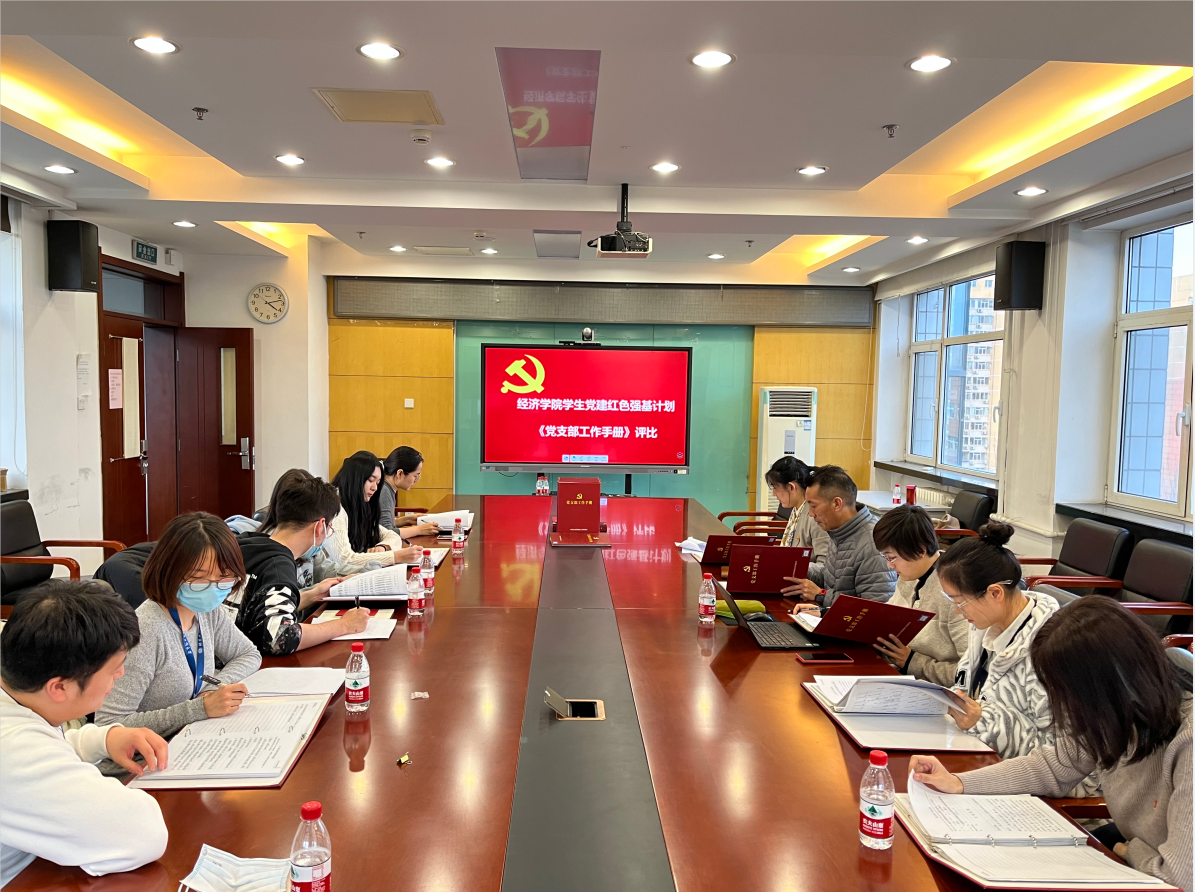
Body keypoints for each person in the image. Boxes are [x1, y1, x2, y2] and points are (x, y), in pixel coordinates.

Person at [911, 597, 1191, 892]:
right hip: (1139, 856)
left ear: (1104, 686)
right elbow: (1052, 767)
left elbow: (1179, 878)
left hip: (1156, 872)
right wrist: (959, 783)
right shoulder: (1121, 710)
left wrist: (1130, 851)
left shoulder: (1187, 742)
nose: (1068, 708)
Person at [0, 580, 169, 884]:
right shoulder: (14, 751)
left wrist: (103, 739)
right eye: (114, 669)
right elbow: (143, 835)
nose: (121, 674)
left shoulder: (19, 694)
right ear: (59, 688)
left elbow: (45, 743)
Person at [934, 520, 1085, 769]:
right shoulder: (984, 625)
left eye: (960, 602)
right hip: (976, 751)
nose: (957, 611)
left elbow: (1063, 757)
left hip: (1022, 774)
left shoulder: (1049, 653)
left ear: (995, 593)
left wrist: (984, 721)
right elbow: (968, 691)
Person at [96, 513, 262, 738]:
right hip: (148, 752)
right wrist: (199, 708)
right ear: (169, 571)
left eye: (224, 576)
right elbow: (108, 725)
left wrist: (212, 689)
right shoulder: (146, 631)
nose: (213, 587)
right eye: (199, 577)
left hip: (192, 736)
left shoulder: (207, 611)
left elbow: (248, 654)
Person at [230, 470, 370, 656]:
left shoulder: (246, 543)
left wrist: (311, 595)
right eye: (329, 528)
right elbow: (280, 638)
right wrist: (344, 625)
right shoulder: (278, 566)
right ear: (320, 526)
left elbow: (257, 611)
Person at [871, 505, 969, 686]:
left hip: (935, 690)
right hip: (898, 675)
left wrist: (912, 662)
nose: (889, 565)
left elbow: (969, 675)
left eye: (892, 557)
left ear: (920, 550)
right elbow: (888, 617)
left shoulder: (956, 593)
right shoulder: (909, 575)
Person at [781, 465, 895, 609]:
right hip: (827, 614)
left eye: (814, 506)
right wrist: (793, 567)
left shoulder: (872, 544)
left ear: (836, 504)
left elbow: (874, 609)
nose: (810, 514)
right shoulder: (839, 530)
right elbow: (833, 577)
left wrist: (821, 594)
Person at [326, 451, 421, 571]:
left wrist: (383, 547)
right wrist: (396, 556)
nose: (375, 488)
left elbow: (391, 535)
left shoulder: (359, 503)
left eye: (377, 483)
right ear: (355, 478)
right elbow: (345, 559)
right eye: (371, 480)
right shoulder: (335, 508)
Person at [765, 456, 829, 566]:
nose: (774, 494)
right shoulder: (797, 509)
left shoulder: (815, 516)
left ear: (791, 487)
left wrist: (792, 565)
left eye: (776, 487)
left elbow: (824, 565)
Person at [379, 446, 438, 538]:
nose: (416, 480)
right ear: (400, 473)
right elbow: (386, 533)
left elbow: (380, 525)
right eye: (415, 476)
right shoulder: (384, 491)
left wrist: (406, 520)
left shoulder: (387, 488)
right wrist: (419, 530)